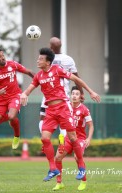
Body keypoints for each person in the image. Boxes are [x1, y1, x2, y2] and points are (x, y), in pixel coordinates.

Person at [20, 48, 100, 182]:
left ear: (48, 62)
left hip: (63, 107)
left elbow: (76, 79)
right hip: (50, 110)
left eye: (40, 59)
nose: (37, 61)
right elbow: (29, 88)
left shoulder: (57, 69)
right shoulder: (39, 75)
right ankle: (53, 169)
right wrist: (24, 94)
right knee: (45, 138)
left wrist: (90, 91)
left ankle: (81, 167)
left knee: (73, 138)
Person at [0, 47, 34, 149]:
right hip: (1, 98)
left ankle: (17, 136)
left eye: (3, 55)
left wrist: (39, 80)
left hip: (15, 95)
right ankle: (10, 118)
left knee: (11, 116)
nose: (2, 58)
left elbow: (28, 72)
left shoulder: (12, 64)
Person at [39, 37, 84, 136]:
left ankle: (48, 140)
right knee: (63, 122)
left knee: (43, 117)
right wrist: (82, 92)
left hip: (51, 96)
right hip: (62, 95)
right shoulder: (68, 59)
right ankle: (61, 142)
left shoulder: (46, 59)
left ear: (50, 47)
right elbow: (76, 77)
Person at [53, 86, 94, 191]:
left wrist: (88, 139)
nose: (74, 96)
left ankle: (83, 181)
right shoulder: (66, 107)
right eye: (73, 94)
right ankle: (59, 183)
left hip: (79, 139)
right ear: (70, 95)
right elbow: (60, 122)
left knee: (77, 157)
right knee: (57, 157)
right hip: (67, 138)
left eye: (77, 94)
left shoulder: (84, 109)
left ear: (80, 97)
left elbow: (91, 126)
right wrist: (61, 137)